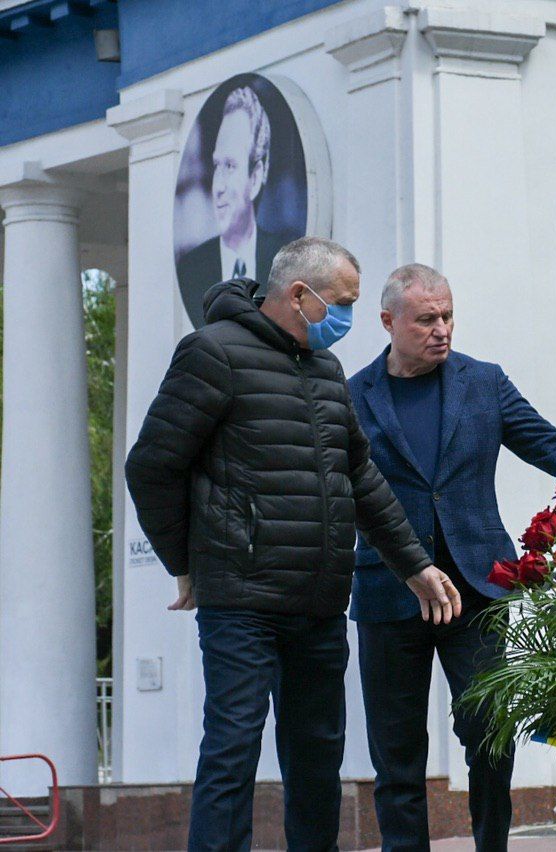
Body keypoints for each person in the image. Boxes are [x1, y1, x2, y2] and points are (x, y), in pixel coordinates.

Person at [125, 240, 461, 852]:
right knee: (232, 748)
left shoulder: (326, 371)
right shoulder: (212, 353)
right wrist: (185, 562)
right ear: (300, 296)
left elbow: (359, 478)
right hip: (244, 598)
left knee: (316, 759)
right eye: (343, 304)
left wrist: (414, 565)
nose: (347, 319)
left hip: (319, 600)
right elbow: (151, 465)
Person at [348, 263, 556, 852]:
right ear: (388, 322)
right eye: (426, 319)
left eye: (448, 315)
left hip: (477, 589)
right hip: (390, 590)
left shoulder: (484, 382)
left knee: (489, 734)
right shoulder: (351, 396)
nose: (442, 329)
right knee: (397, 751)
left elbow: (548, 443)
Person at [176, 85, 300, 328]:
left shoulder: (286, 263)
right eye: (216, 166)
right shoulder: (192, 269)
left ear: (255, 177)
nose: (218, 186)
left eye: (230, 166)